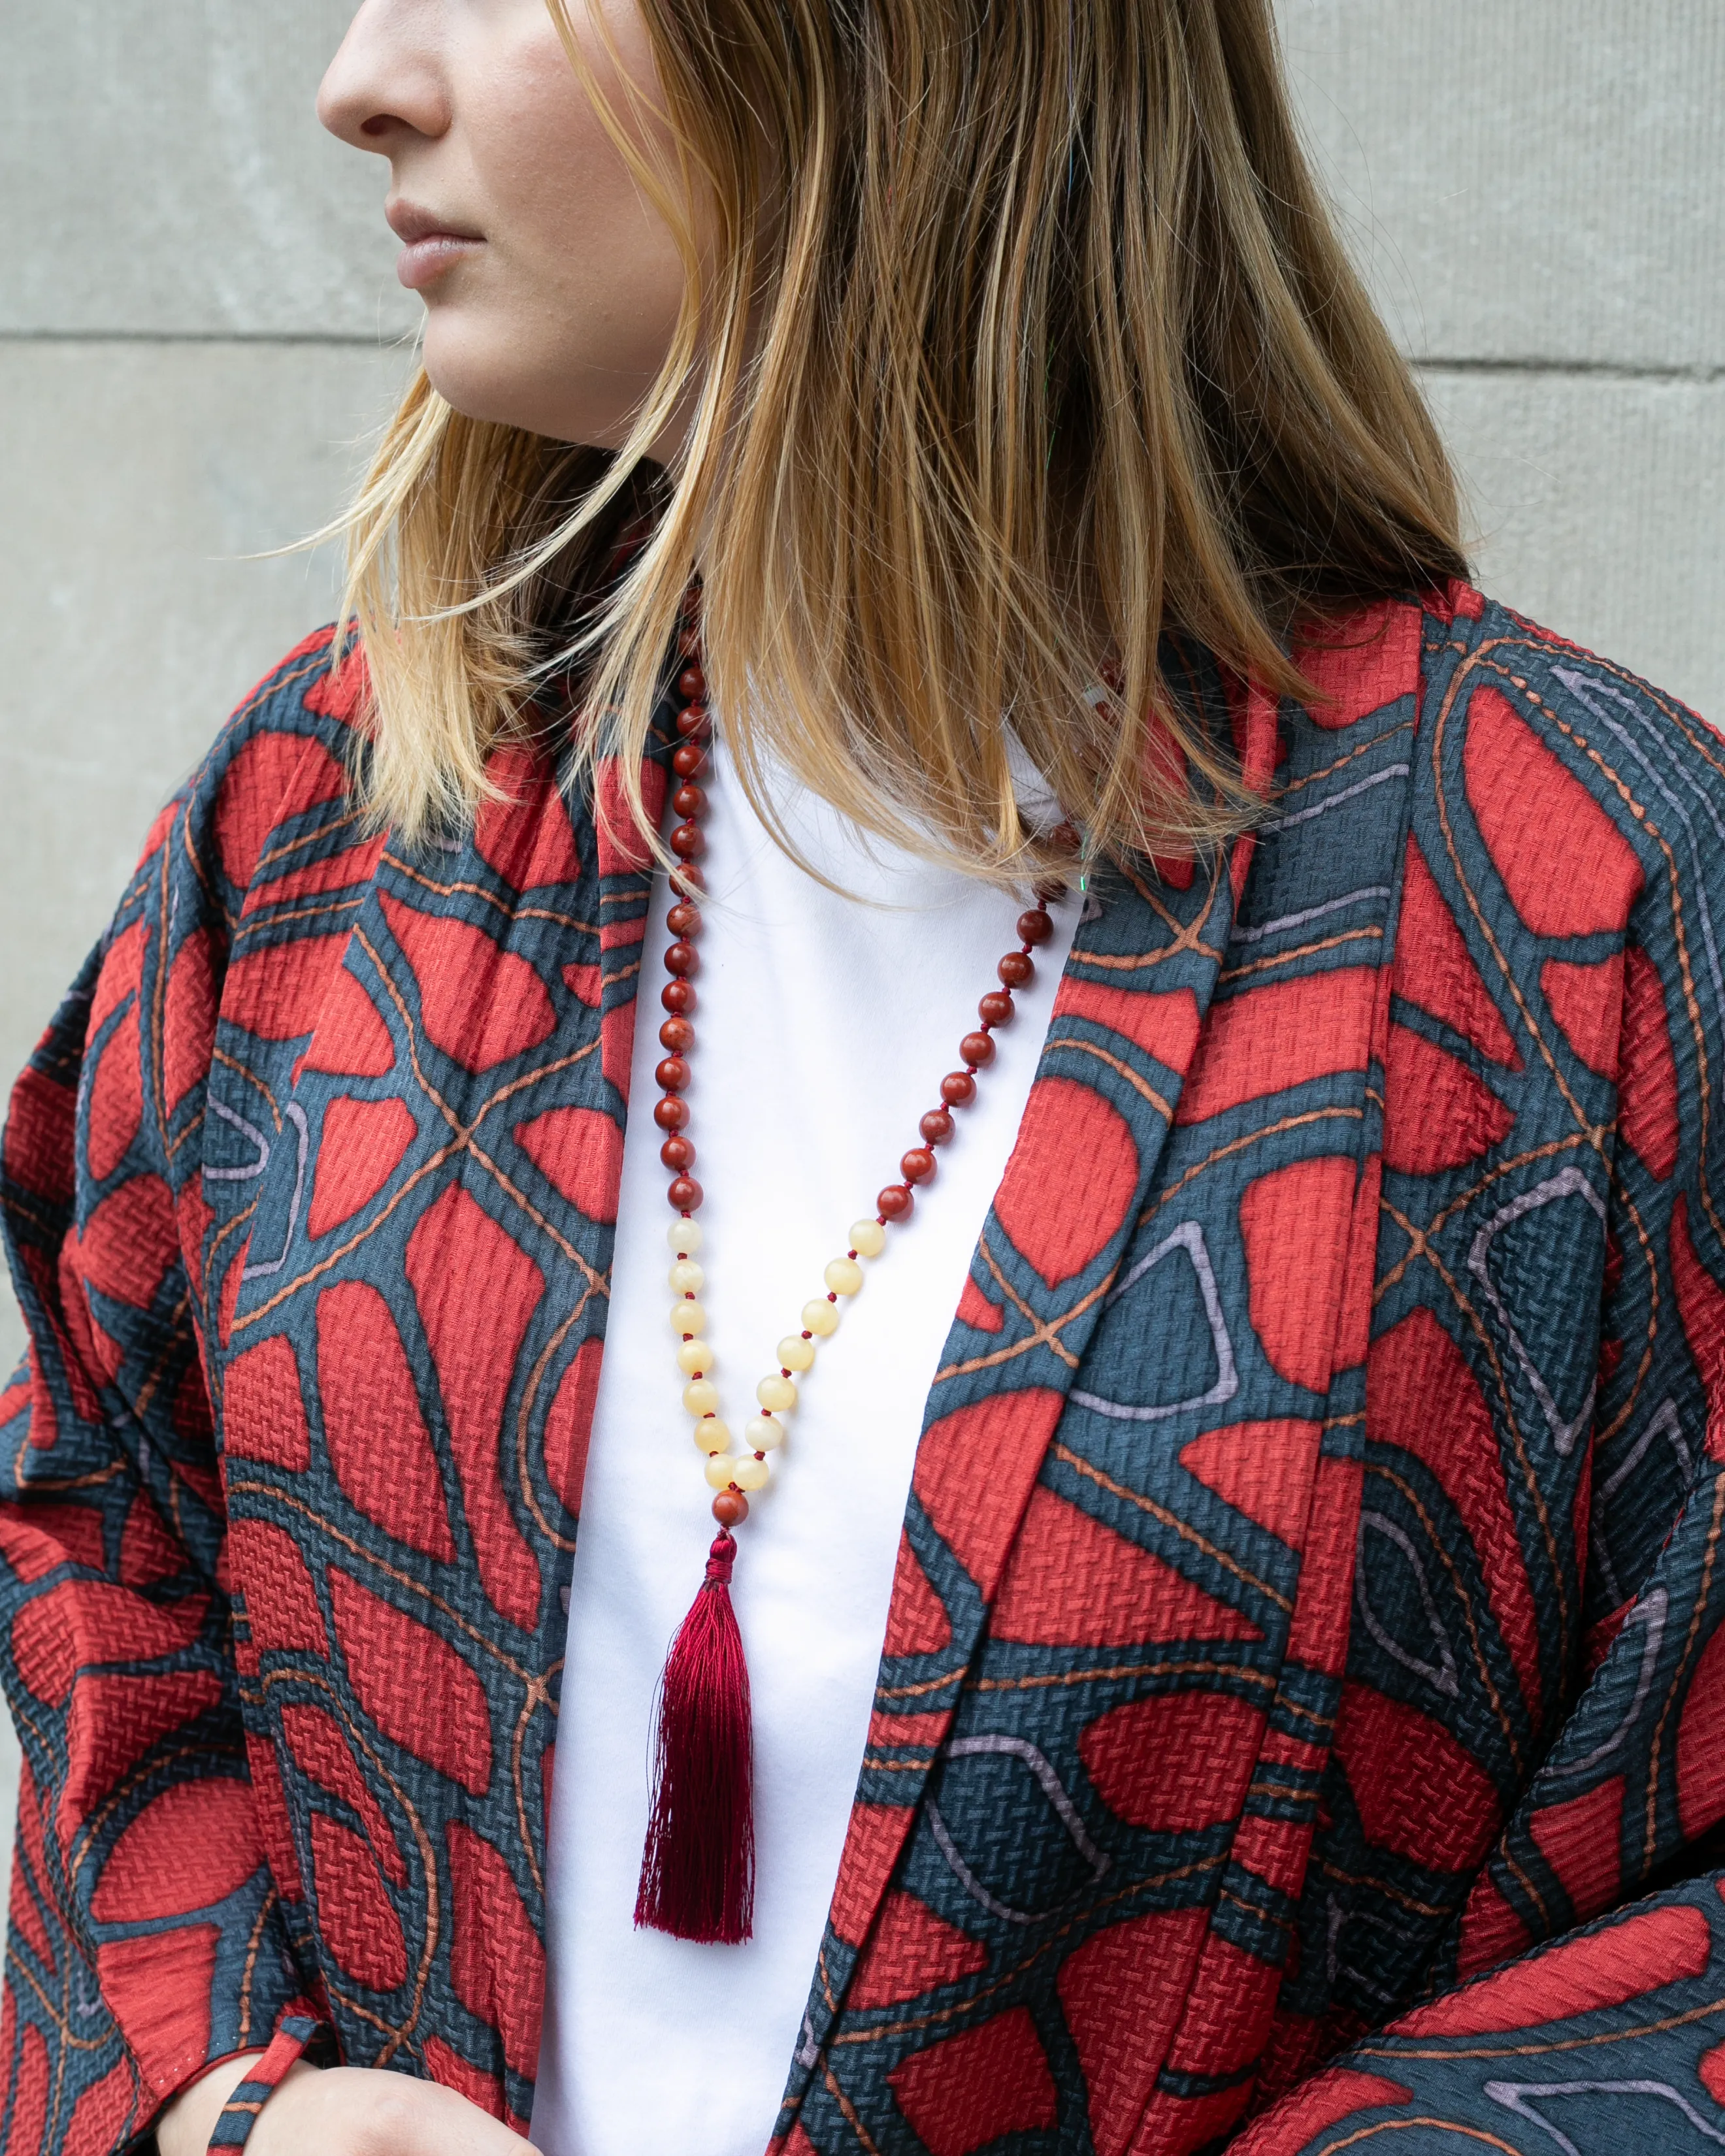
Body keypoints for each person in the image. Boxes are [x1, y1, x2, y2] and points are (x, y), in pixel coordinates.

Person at [5, 0, 1725, 2150]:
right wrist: (228, 2107)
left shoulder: (1576, 910)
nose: (362, 75)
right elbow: (113, 1534)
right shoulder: (349, 820)